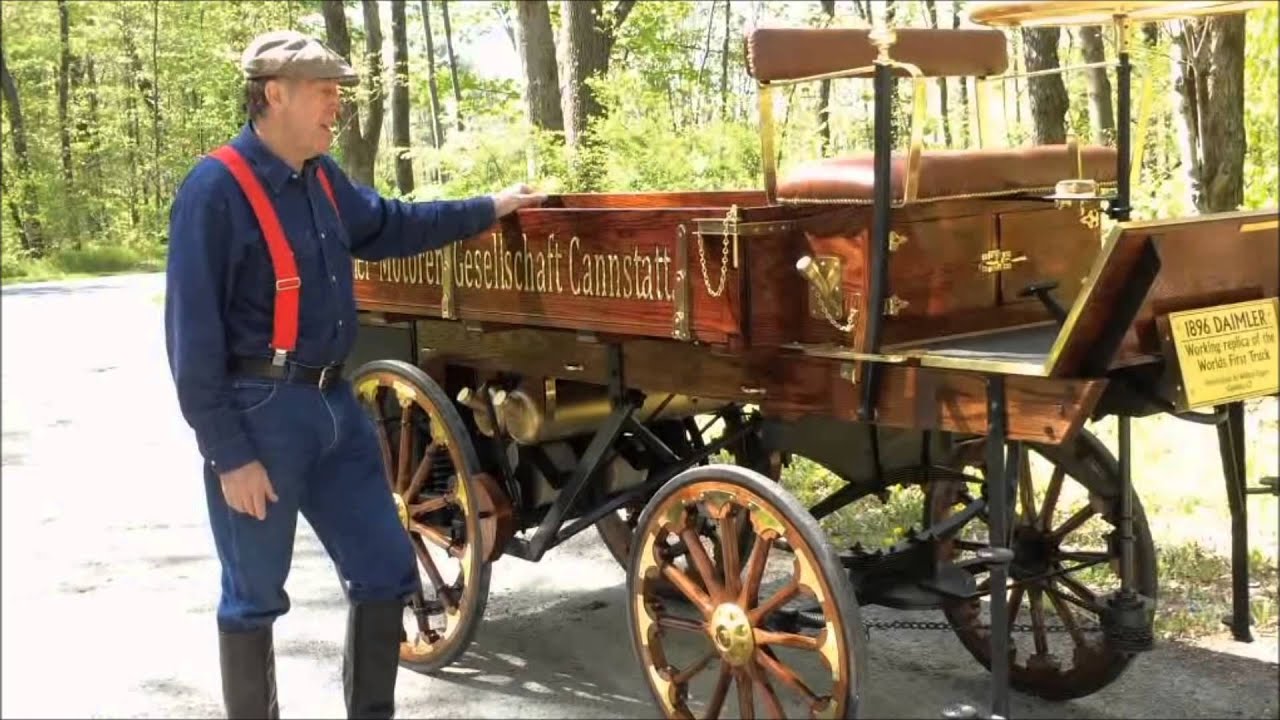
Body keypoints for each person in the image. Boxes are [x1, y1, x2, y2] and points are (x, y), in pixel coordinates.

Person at [163, 29, 544, 719]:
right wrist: (228, 453)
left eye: (337, 92)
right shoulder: (214, 190)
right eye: (323, 92)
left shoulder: (323, 178)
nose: (335, 106)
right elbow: (191, 340)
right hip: (260, 415)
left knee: (385, 570)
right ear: (274, 94)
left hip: (337, 406)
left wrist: (488, 207)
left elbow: (393, 225)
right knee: (253, 597)